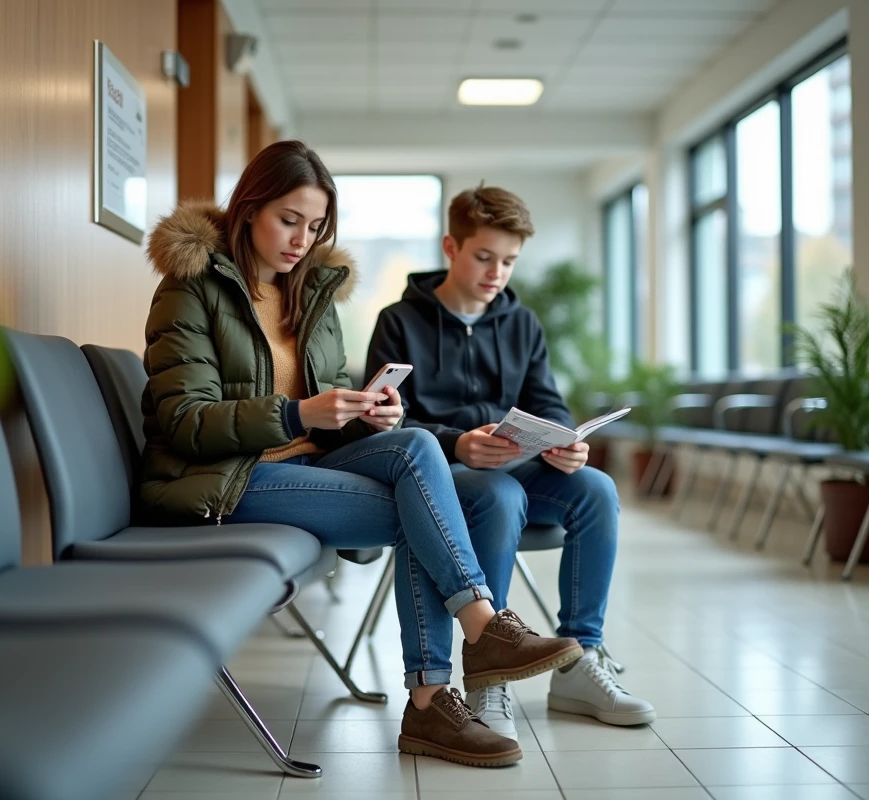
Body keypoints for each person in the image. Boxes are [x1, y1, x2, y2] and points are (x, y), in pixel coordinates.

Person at [139, 142, 582, 767]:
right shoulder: (191, 289)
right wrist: (299, 413)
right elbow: (183, 422)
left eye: (315, 226)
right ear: (248, 208)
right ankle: (454, 668)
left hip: (300, 465)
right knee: (419, 510)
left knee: (415, 446)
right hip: (220, 482)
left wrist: (366, 414)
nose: (302, 239)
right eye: (289, 219)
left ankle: (459, 663)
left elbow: (322, 418)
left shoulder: (307, 294)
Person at [365, 184, 657, 737]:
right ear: (451, 247)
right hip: (444, 474)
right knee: (500, 496)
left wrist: (565, 439)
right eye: (484, 257)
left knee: (595, 489)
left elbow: (546, 401)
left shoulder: (522, 324)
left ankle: (579, 660)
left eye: (509, 261)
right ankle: (487, 675)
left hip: (517, 461)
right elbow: (388, 421)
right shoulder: (399, 321)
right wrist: (457, 442)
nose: (497, 272)